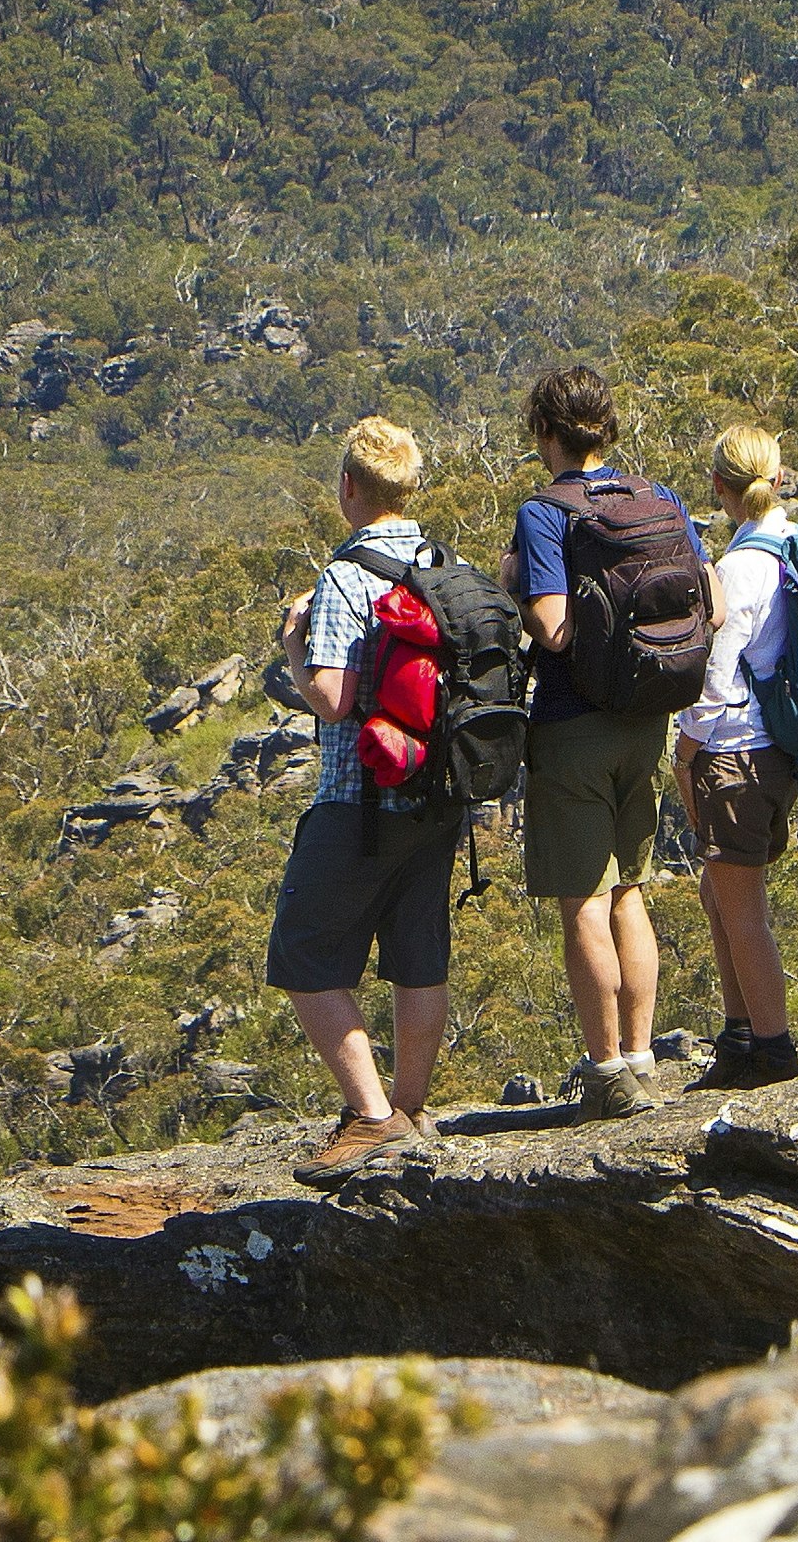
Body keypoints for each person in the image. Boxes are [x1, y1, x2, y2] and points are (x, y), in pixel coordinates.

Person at [504, 363, 706, 1118]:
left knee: (583, 900)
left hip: (572, 725)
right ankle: (644, 1057)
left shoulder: (546, 512)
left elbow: (554, 628)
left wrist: (515, 583)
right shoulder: (660, 500)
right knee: (631, 891)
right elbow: (705, 601)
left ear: (546, 433)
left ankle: (605, 1069)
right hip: (647, 722)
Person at [266, 415, 462, 1175]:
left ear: (349, 488)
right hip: (442, 795)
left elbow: (334, 700)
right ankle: (411, 1108)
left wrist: (292, 644)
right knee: (419, 948)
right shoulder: (448, 566)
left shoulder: (346, 580)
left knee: (305, 953)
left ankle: (374, 1115)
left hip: (360, 795)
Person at [676, 424, 798, 1090]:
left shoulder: (738, 567)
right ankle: (739, 1037)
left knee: (742, 906)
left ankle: (771, 1050)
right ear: (777, 479)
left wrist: (683, 750)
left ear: (721, 488)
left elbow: (717, 680)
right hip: (782, 753)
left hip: (735, 756)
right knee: (718, 891)